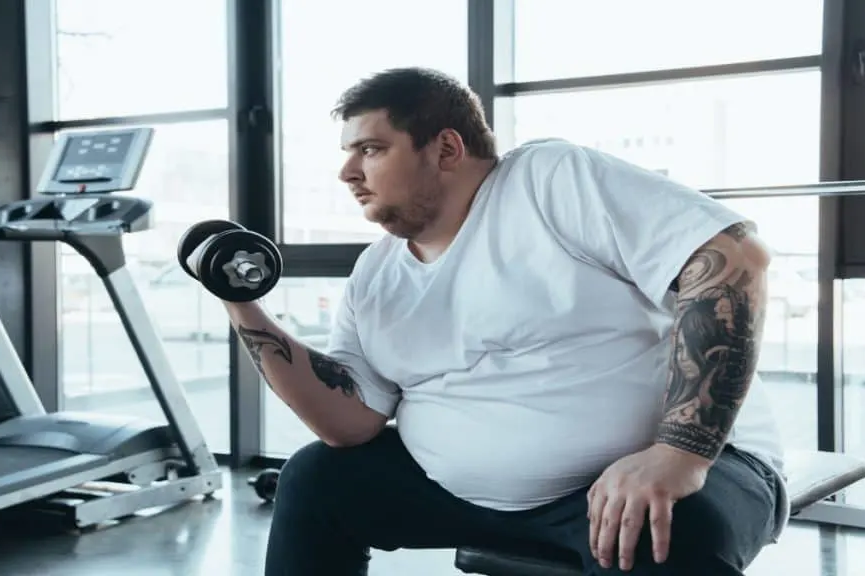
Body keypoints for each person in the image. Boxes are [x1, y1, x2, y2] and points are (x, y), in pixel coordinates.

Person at [194, 67, 788, 575]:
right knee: (316, 478)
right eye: (348, 152)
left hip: (675, 468)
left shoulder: (547, 182)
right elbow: (348, 424)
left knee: (661, 529)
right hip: (465, 496)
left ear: (447, 149)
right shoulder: (375, 273)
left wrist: (679, 453)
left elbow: (731, 257)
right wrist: (240, 300)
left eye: (371, 149)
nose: (347, 172)